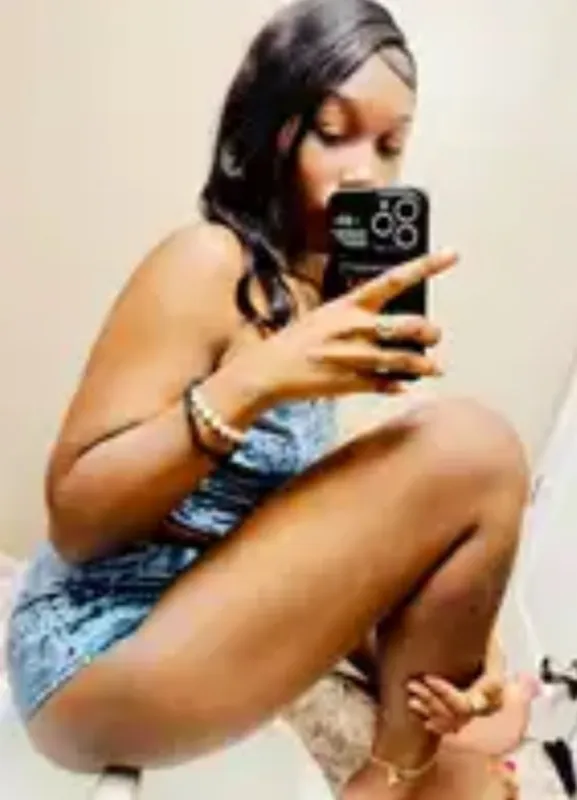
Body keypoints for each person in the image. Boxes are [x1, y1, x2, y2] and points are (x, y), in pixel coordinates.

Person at [6, 1, 531, 797]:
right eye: (333, 131)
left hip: (204, 624)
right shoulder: (205, 262)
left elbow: (288, 551)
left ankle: (416, 757)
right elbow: (76, 524)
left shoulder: (313, 298)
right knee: (473, 448)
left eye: (389, 145)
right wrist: (254, 380)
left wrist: (464, 660)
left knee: (479, 767)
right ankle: (387, 781)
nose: (365, 173)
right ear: (270, 130)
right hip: (96, 652)